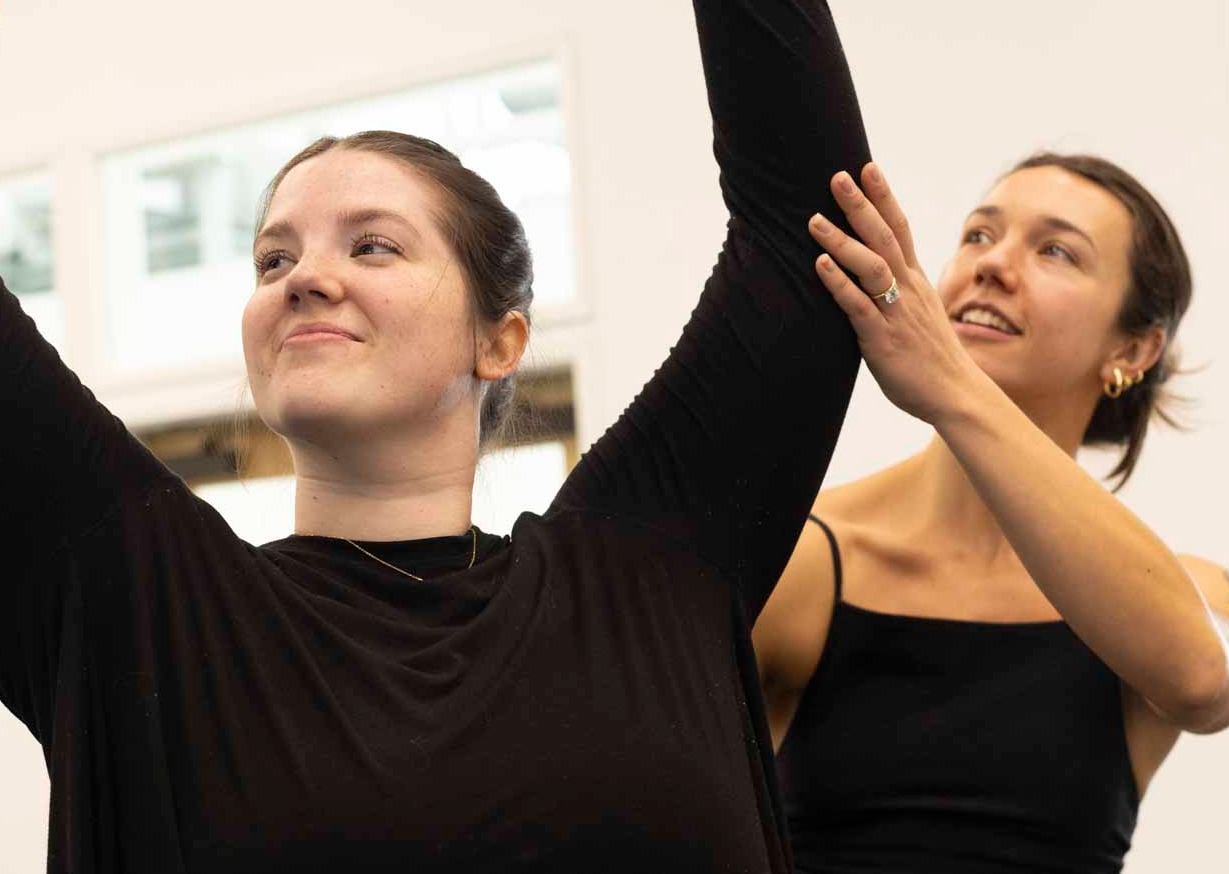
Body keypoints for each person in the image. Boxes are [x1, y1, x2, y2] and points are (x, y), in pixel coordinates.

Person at [0, 1, 876, 871]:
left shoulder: (646, 569)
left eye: (372, 247)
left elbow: (807, 232)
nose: (304, 278)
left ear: (498, 341)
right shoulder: (141, 605)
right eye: (273, 259)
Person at [753, 153, 1229, 873]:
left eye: (1056, 251)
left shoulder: (1177, 599)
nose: (993, 265)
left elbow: (1201, 684)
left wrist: (948, 382)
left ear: (1133, 349)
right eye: (979, 234)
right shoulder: (808, 558)